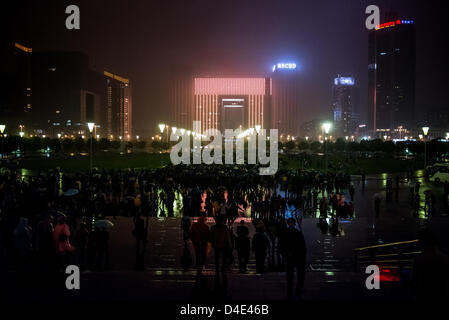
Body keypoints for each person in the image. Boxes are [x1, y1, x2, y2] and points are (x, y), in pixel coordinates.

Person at [412, 229, 449, 300]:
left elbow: (415, 282)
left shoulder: (419, 259)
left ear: (423, 242)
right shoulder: (445, 258)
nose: (417, 243)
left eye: (419, 240)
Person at [280, 218, 307, 299]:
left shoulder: (285, 233)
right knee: (300, 275)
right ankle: (297, 291)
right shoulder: (298, 233)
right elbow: (303, 247)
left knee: (290, 276)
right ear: (294, 224)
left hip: (290, 257)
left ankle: (290, 292)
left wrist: (285, 254)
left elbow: (282, 246)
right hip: (298, 257)